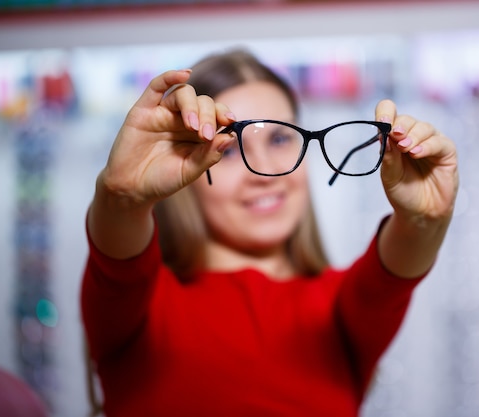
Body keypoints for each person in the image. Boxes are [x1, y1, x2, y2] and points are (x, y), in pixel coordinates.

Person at [81, 49, 458, 417]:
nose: (263, 171)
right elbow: (119, 230)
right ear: (183, 169)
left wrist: (424, 219)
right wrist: (122, 196)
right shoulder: (140, 306)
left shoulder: (338, 310)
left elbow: (393, 270)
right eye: (227, 150)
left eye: (279, 140)